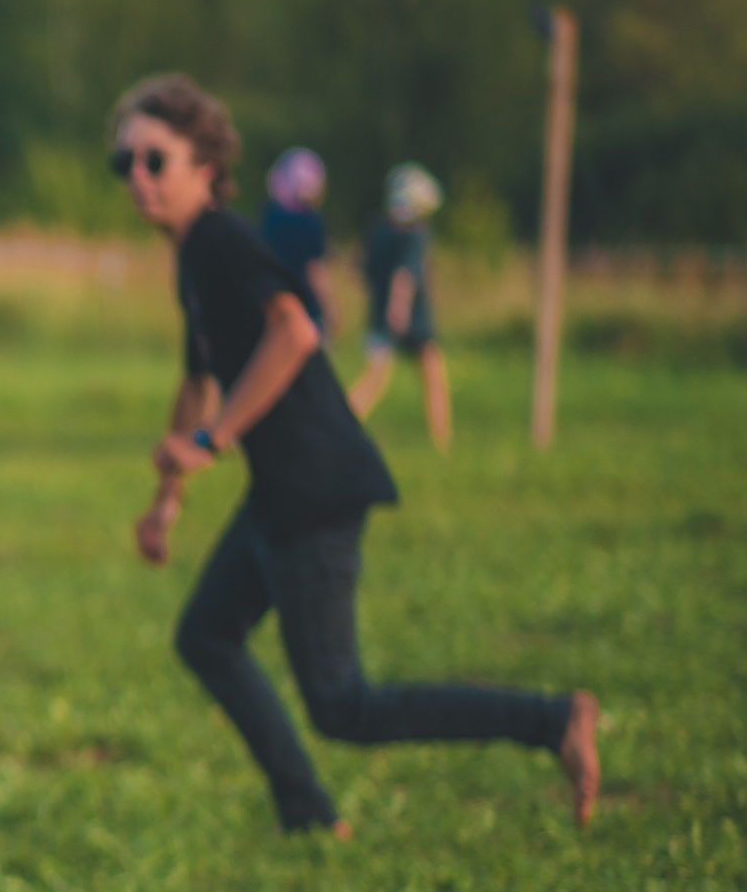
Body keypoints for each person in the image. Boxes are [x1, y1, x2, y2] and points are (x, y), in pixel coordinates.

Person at [114, 74, 597, 836]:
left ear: (204, 163)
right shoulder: (193, 257)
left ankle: (553, 719)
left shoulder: (220, 239)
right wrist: (166, 500)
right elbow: (198, 375)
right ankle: (306, 814)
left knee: (345, 705)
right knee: (206, 635)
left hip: (315, 486)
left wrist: (212, 441)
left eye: (154, 160)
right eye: (126, 165)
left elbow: (296, 332)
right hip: (283, 489)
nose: (137, 178)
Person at [348, 162, 449, 450]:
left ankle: (340, 426)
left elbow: (362, 270)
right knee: (431, 375)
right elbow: (404, 275)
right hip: (409, 316)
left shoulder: (378, 228)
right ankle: (441, 441)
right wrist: (400, 307)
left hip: (379, 312)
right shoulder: (414, 234)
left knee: (374, 378)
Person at [258, 147, 336, 340]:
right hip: (305, 308)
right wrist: (330, 308)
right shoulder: (311, 221)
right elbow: (314, 270)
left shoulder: (269, 215)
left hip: (273, 304)